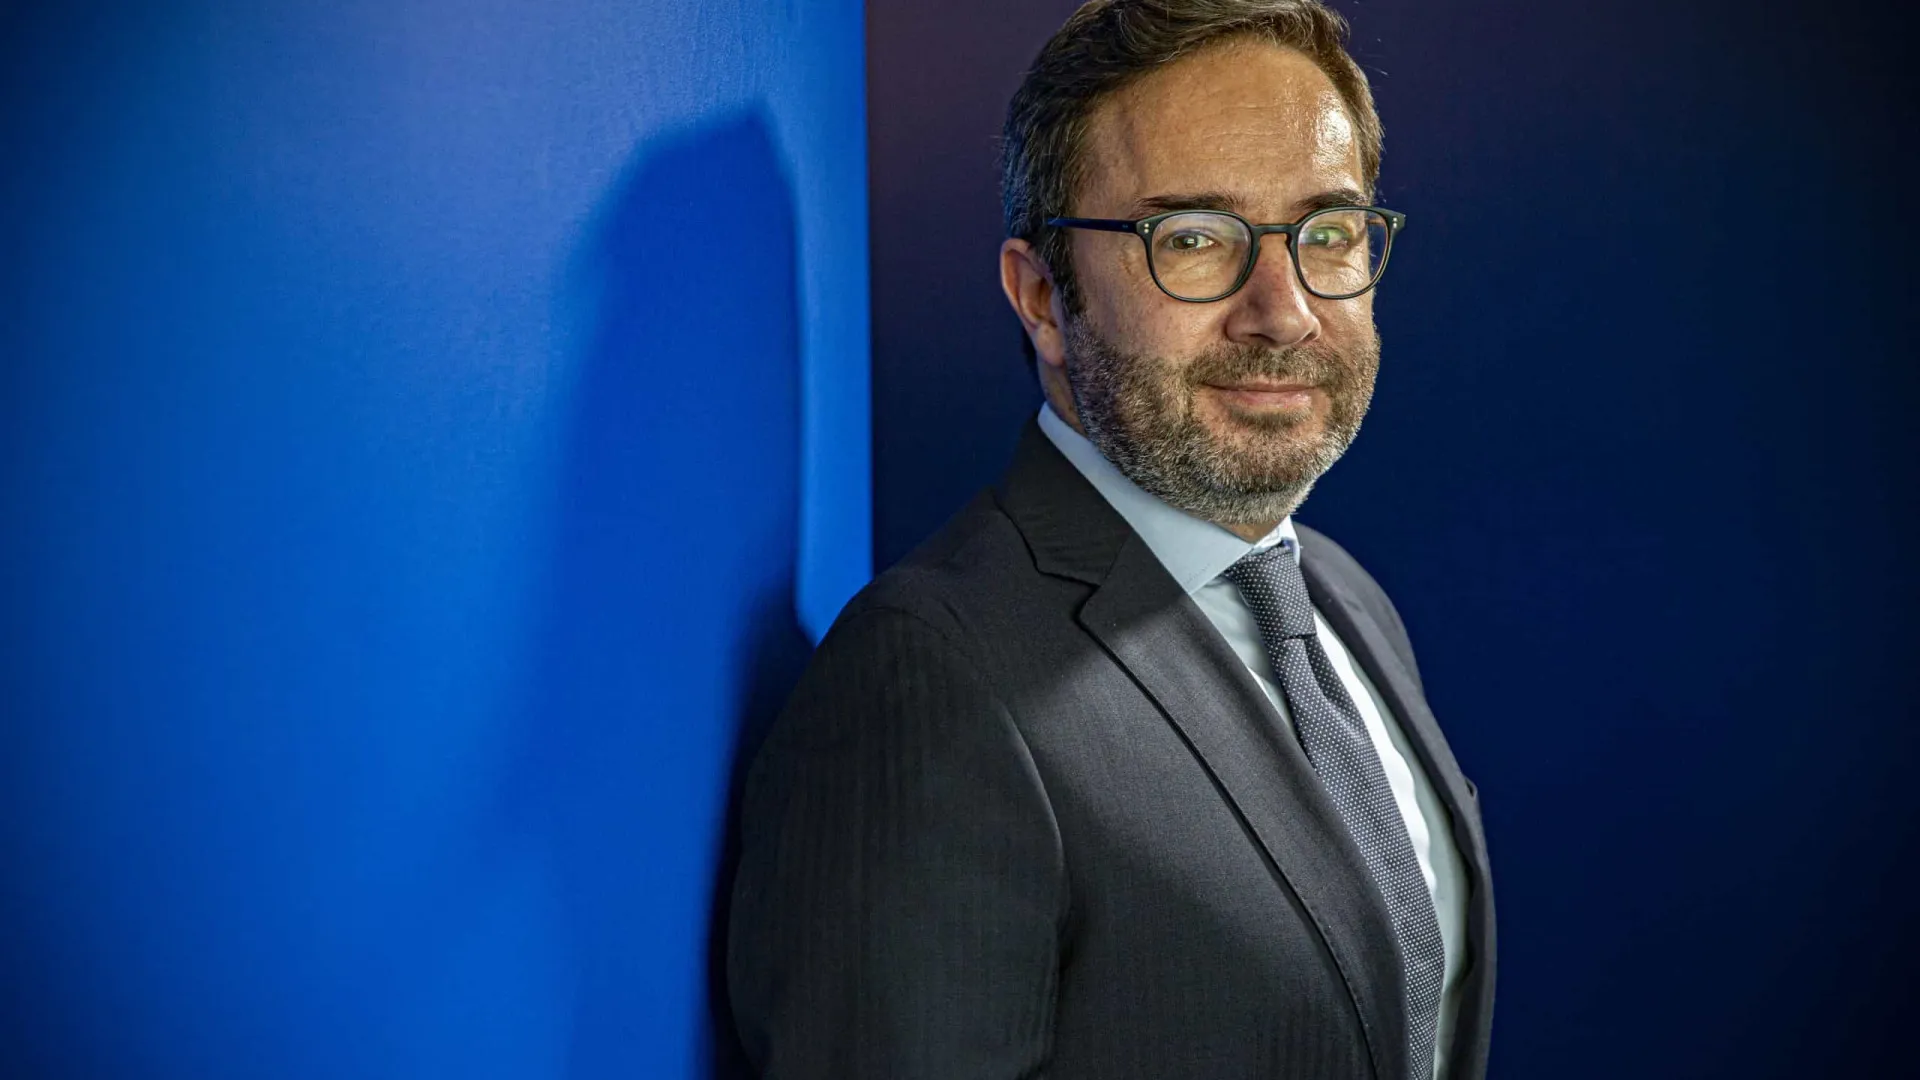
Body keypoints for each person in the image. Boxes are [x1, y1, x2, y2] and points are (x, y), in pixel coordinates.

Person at [726, 1, 1494, 1076]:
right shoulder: (929, 680)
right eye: (1193, 239)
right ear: (1043, 297)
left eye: (1326, 233)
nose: (1284, 311)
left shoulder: (1343, 599)